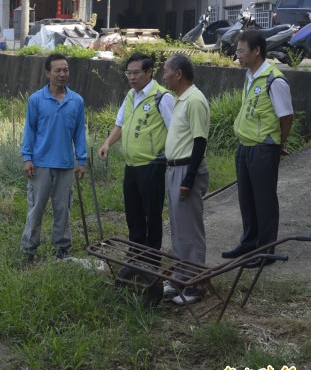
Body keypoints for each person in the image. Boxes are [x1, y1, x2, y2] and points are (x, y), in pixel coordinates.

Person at [221, 30, 293, 267]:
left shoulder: (275, 80)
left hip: (263, 148)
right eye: (237, 51)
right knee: (247, 199)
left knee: (264, 201)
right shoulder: (251, 76)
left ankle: (266, 251)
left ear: (256, 51)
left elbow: (286, 116)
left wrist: (279, 143)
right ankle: (249, 243)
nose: (237, 55)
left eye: (241, 51)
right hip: (245, 147)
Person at [97, 53, 173, 256]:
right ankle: (135, 255)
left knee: (152, 216)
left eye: (136, 73)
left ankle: (151, 259)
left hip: (152, 166)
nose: (131, 77)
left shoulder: (162, 97)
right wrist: (107, 143)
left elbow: (175, 130)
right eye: (128, 73)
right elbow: (120, 124)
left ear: (149, 72)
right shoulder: (131, 96)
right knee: (133, 214)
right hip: (131, 166)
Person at [20, 53, 87, 263]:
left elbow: (79, 134)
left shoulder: (76, 101)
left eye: (65, 70)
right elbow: (29, 131)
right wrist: (27, 158)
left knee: (63, 209)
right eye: (57, 70)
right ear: (48, 73)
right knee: (36, 209)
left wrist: (82, 161)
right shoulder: (36, 100)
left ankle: (62, 248)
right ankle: (29, 250)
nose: (62, 74)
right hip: (40, 165)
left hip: (65, 165)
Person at [162, 54, 210, 305]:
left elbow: (199, 141)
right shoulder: (180, 99)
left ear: (178, 74)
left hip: (185, 170)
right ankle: (180, 278)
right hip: (174, 169)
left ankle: (195, 284)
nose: (164, 76)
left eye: (166, 71)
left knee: (189, 229)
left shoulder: (195, 100)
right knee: (178, 228)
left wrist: (189, 179)